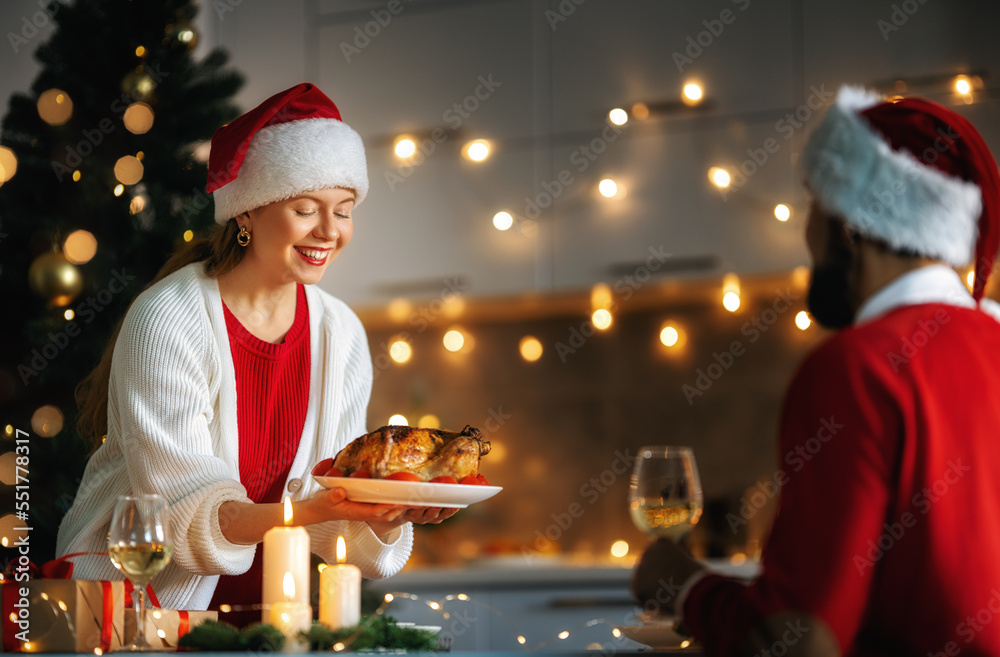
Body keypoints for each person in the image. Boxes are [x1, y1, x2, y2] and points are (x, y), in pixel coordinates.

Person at [57, 84, 455, 622]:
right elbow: (183, 513)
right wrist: (312, 508)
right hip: (130, 609)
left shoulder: (340, 332)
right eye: (304, 209)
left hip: (265, 615)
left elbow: (332, 500)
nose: (329, 232)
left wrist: (384, 514)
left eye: (343, 210)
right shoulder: (168, 319)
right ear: (247, 213)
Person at [631, 86, 1000, 656]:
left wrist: (684, 586)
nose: (806, 234)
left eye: (814, 204)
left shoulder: (856, 367)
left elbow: (798, 641)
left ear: (851, 224)